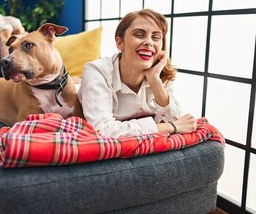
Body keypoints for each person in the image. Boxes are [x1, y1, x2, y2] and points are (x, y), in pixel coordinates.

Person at [78, 9, 197, 137]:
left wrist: (155, 80)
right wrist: (169, 127)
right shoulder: (96, 71)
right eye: (139, 35)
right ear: (120, 42)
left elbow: (180, 122)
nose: (149, 42)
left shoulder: (160, 72)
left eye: (156, 37)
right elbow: (102, 129)